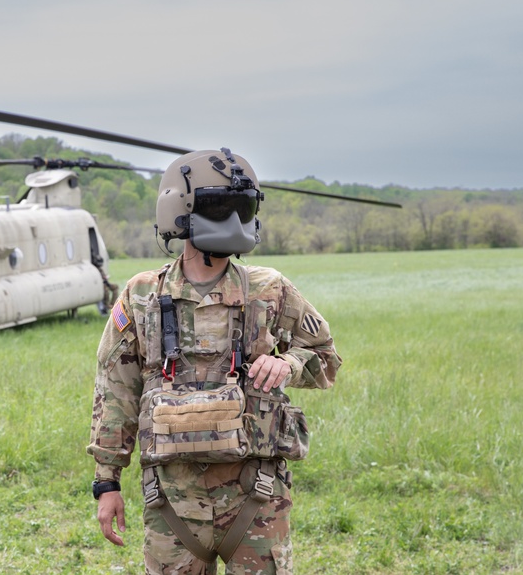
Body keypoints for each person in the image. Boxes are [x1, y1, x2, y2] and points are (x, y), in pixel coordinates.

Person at [87, 148, 341, 574]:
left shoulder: (270, 289)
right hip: (171, 500)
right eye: (220, 208)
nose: (233, 221)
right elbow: (115, 389)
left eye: (241, 208)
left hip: (256, 498)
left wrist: (289, 365)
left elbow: (326, 358)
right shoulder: (141, 294)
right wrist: (106, 482)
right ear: (180, 213)